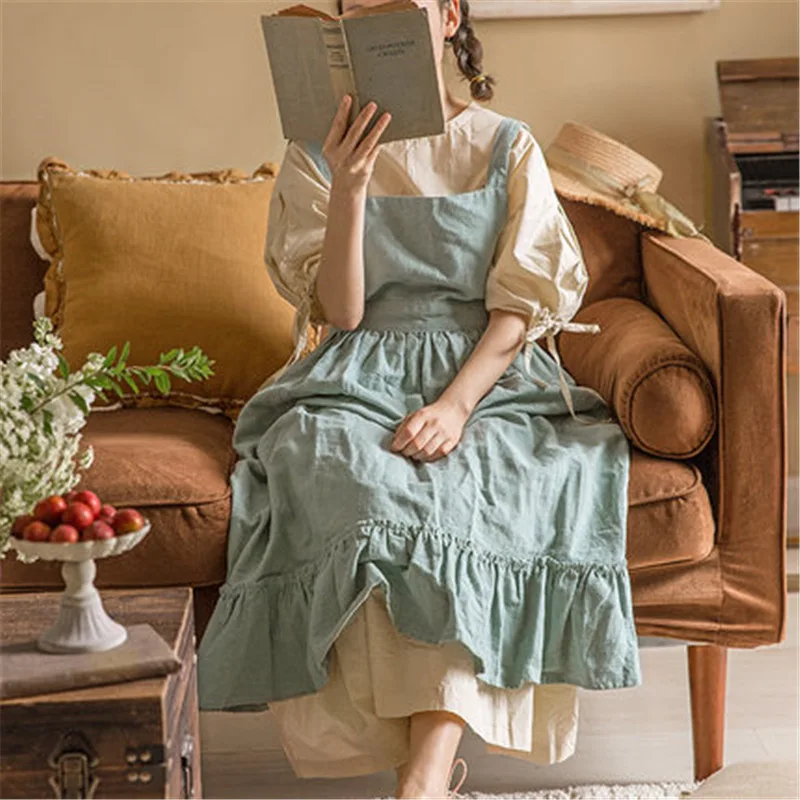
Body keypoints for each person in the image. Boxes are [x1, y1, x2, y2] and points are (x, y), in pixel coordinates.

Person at [196, 0, 643, 797]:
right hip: (356, 367)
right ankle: (425, 776)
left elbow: (517, 311)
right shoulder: (315, 153)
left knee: (477, 486)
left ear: (447, 18)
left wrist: (456, 407)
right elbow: (342, 312)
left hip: (486, 372)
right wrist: (350, 182)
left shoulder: (505, 144)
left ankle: (424, 779)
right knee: (359, 485)